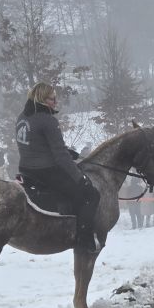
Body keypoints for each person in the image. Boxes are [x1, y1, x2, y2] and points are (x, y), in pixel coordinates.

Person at [15, 82, 101, 253]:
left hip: (26, 169)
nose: (55, 102)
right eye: (52, 99)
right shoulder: (48, 120)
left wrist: (68, 151)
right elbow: (60, 157)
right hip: (45, 171)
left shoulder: (22, 117)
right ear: (42, 99)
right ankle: (84, 240)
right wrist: (80, 178)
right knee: (91, 194)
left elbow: (35, 143)